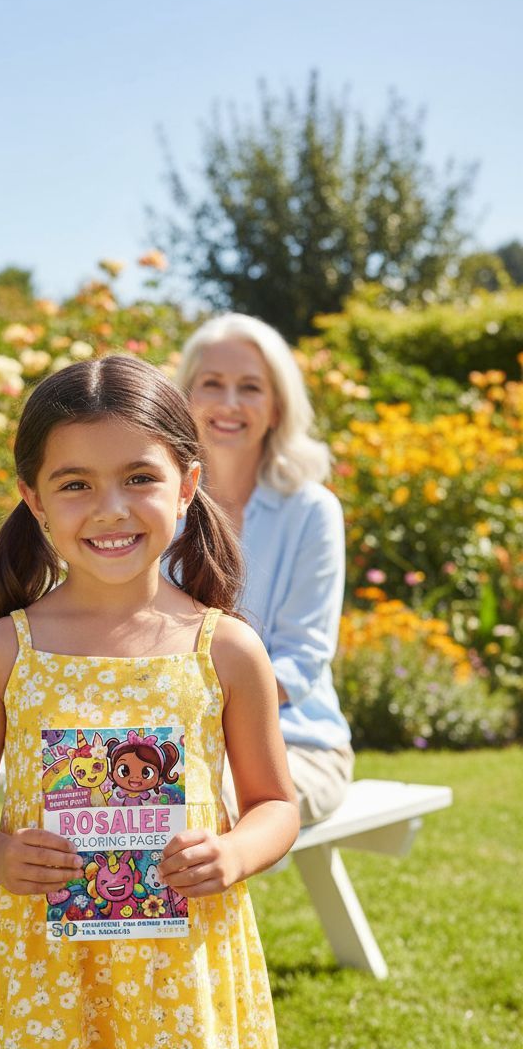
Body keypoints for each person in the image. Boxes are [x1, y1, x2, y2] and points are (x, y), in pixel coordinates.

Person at [0, 355, 299, 1049]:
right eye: (76, 484)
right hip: (46, 976)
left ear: (187, 485)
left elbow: (277, 805)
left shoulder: (225, 649)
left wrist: (234, 853)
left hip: (178, 976)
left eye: (139, 477)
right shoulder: (3, 652)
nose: (110, 508)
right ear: (33, 500)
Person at [175, 313, 354, 827]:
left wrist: (202, 718)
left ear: (277, 406)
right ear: (185, 397)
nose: (229, 403)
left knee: (191, 809)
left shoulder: (312, 511)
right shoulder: (158, 504)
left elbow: (302, 660)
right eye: (212, 383)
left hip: (296, 745)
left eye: (250, 387)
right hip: (173, 740)